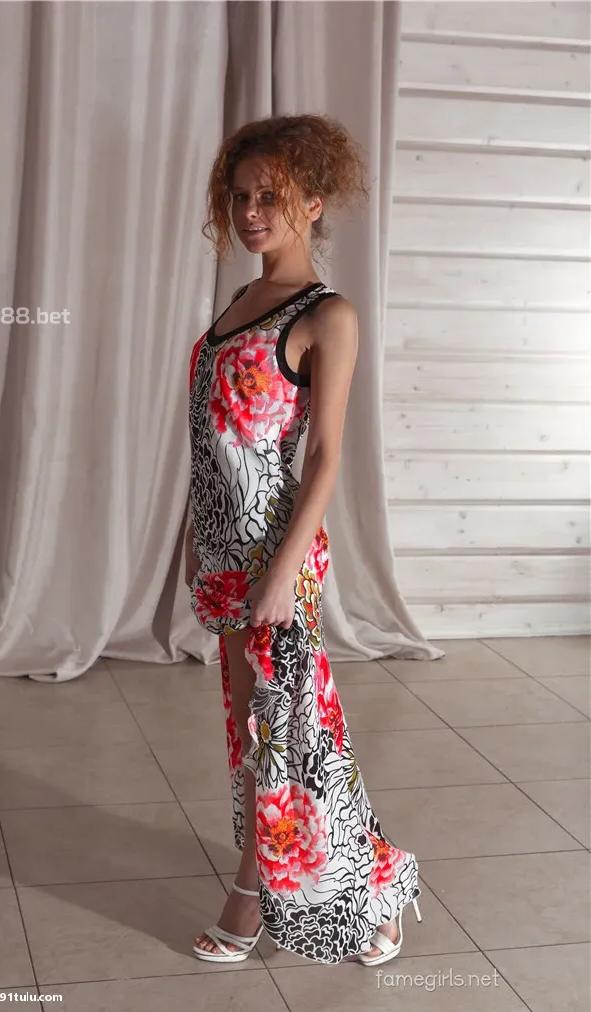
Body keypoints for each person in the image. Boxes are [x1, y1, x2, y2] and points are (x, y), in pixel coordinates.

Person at [185, 113, 421, 966]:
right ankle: (375, 891)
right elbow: (214, 438)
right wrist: (193, 537)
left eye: (270, 196)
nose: (250, 212)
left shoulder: (330, 315)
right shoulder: (239, 303)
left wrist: (284, 571)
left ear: (313, 202)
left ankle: (251, 899)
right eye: (240, 196)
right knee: (270, 735)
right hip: (225, 552)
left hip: (276, 557)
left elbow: (323, 458)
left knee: (283, 736)